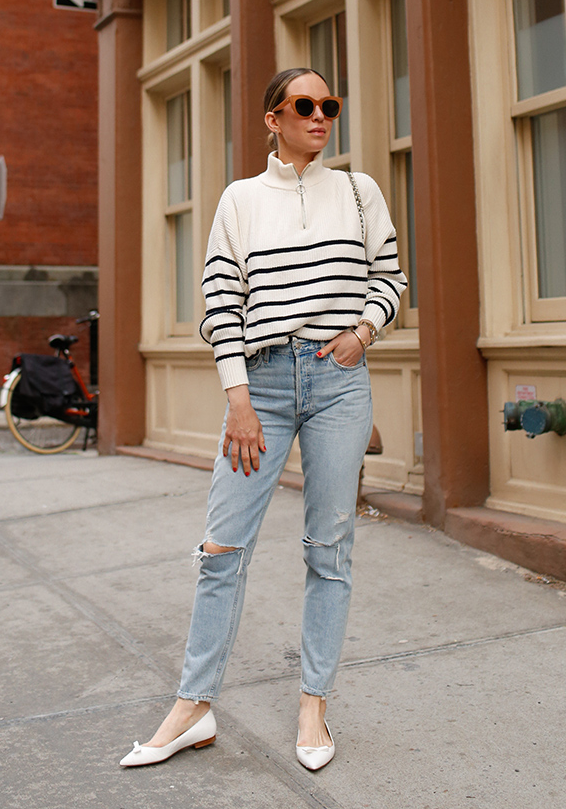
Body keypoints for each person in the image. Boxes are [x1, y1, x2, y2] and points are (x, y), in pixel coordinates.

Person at [120, 67, 407, 771]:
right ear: (272, 119)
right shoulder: (240, 200)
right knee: (222, 546)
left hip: (340, 381)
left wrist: (363, 334)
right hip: (266, 384)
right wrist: (238, 398)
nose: (320, 116)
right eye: (304, 106)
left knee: (328, 548)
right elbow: (221, 303)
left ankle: (314, 705)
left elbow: (391, 277)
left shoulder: (359, 192)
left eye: (328, 105)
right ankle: (193, 707)